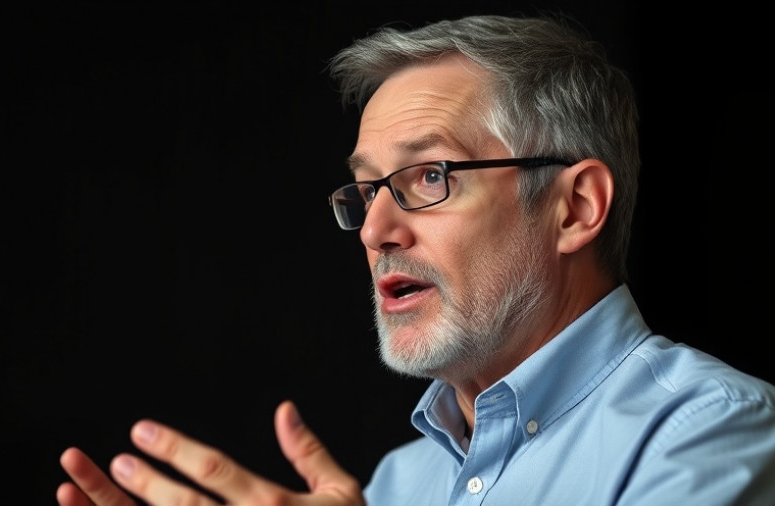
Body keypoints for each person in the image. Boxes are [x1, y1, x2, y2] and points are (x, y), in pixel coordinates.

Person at [57, 13, 775, 505]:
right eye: (368, 190)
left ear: (576, 207)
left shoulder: (714, 430)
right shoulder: (400, 483)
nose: (375, 230)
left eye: (429, 176)